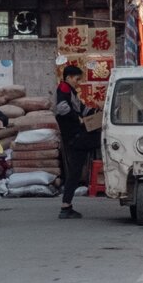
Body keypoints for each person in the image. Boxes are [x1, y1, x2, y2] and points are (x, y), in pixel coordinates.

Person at [51, 61, 97, 218]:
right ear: (69, 78)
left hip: (76, 136)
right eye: (77, 80)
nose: (78, 83)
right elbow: (63, 108)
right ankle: (65, 207)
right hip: (73, 136)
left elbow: (82, 109)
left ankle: (66, 206)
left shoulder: (71, 92)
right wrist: (78, 119)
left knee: (75, 171)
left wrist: (97, 111)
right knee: (75, 171)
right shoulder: (64, 88)